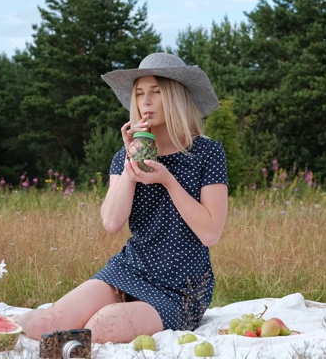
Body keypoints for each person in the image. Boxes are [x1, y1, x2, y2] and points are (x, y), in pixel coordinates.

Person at [14, 52, 229, 344]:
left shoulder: (207, 153)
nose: (146, 101)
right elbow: (112, 222)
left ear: (176, 97)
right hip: (129, 269)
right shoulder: (125, 156)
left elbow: (210, 233)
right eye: (140, 93)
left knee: (102, 326)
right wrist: (130, 165)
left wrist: (168, 180)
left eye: (156, 92)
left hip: (182, 288)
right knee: (45, 324)